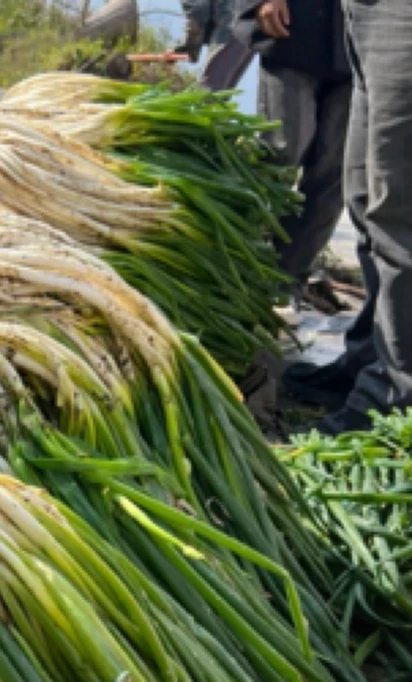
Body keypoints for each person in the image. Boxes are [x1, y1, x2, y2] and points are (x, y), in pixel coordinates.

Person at [280, 0, 412, 433]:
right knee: (362, 194)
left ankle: (395, 394)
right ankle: (369, 362)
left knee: (398, 208)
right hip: (363, 13)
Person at [232, 0, 349, 306]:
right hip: (294, 29)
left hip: (359, 42)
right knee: (279, 156)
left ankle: (283, 286)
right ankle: (241, 272)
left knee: (333, 176)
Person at [180, 0, 252, 91]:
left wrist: (189, 47)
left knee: (209, 88)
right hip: (254, 23)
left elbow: (198, 9)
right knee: (222, 90)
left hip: (234, 20)